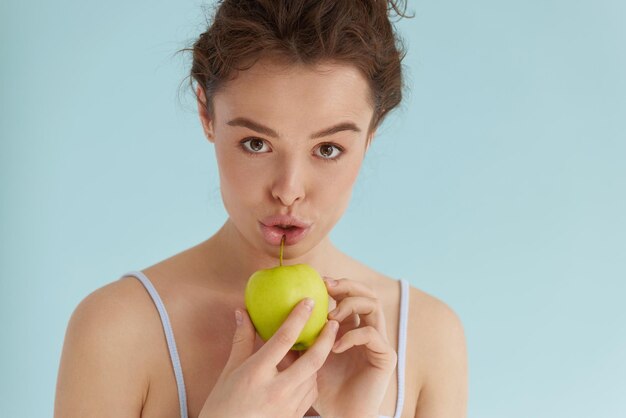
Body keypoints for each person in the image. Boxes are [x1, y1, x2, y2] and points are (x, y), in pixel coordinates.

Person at [54, 0, 468, 417]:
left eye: (328, 149)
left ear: (371, 134)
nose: (288, 191)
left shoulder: (426, 336)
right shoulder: (117, 329)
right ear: (207, 114)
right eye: (256, 143)